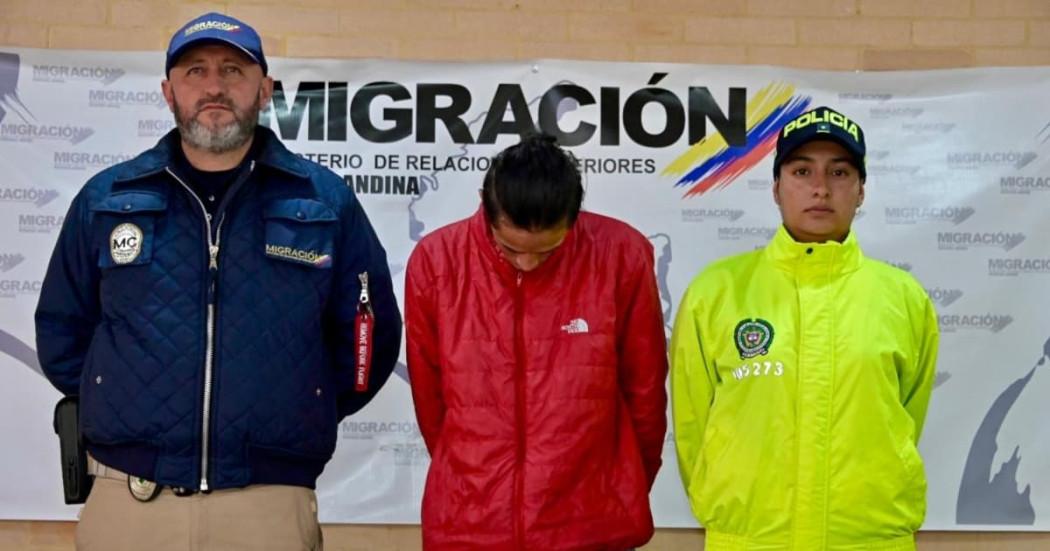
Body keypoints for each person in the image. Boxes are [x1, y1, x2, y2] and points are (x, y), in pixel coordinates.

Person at [34, 12, 401, 550]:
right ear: (168, 91)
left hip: (269, 502)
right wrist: (118, 407)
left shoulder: (324, 202)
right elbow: (63, 331)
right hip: (130, 501)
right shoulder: (106, 200)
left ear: (266, 89)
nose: (213, 86)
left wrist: (303, 403)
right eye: (195, 71)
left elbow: (368, 341)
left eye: (233, 71)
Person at [670, 107, 939, 550]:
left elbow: (907, 419)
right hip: (751, 540)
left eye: (839, 172)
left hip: (869, 540)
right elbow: (693, 422)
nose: (820, 188)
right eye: (801, 170)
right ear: (776, 188)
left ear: (861, 190)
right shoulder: (716, 293)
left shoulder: (903, 297)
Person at [405, 134, 668, 550]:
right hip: (470, 525)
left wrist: (616, 487)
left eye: (548, 251)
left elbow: (646, 392)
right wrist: (476, 483)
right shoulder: (437, 261)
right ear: (485, 206)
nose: (527, 262)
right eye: (510, 249)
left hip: (592, 525)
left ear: (574, 216)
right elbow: (431, 400)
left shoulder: (622, 254)